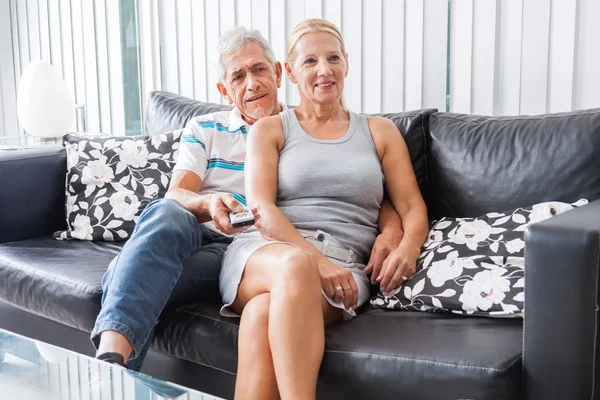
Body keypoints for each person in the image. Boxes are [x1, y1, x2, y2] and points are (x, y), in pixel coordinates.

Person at [90, 26, 404, 371]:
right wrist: (209, 203)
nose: (252, 83)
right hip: (195, 234)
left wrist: (391, 232)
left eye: (259, 70)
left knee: (125, 274)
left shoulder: (300, 128)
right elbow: (178, 192)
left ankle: (113, 368)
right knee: (167, 211)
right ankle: (110, 361)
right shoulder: (205, 129)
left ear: (279, 74)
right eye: (238, 77)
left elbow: (356, 190)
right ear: (225, 90)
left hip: (250, 252)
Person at [218, 19, 429, 400]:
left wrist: (406, 246)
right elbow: (261, 209)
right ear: (291, 73)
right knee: (295, 267)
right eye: (310, 61)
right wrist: (316, 260)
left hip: (346, 266)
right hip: (265, 254)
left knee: (262, 314)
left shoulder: (380, 132)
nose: (323, 69)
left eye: (333, 58)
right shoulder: (271, 129)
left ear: (346, 63)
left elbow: (412, 206)